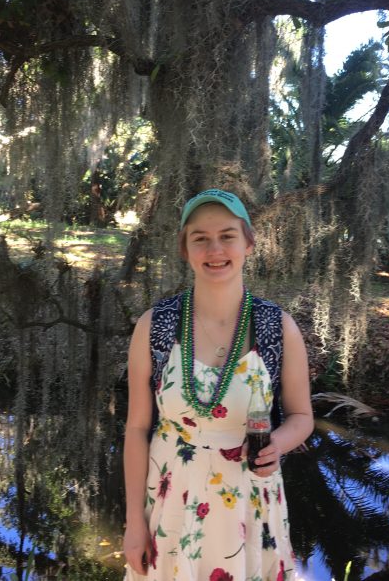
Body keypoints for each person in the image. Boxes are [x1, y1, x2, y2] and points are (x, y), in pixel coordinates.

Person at [123, 188, 314, 580]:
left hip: (249, 501)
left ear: (248, 243)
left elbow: (301, 416)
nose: (215, 249)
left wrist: (278, 444)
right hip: (171, 502)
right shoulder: (154, 326)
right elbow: (138, 428)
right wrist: (133, 523)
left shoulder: (278, 327)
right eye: (201, 238)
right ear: (185, 249)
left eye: (227, 235)